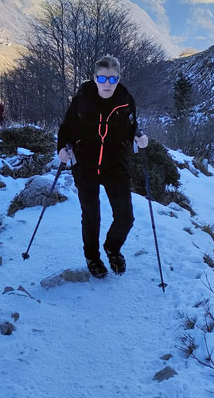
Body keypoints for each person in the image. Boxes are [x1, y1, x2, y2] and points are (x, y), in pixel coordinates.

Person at [57, 55, 149, 278]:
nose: (107, 84)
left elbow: (131, 126)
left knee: (125, 217)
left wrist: (140, 137)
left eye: (112, 79)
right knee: (91, 215)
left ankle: (112, 247)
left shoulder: (126, 101)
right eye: (102, 78)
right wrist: (62, 148)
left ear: (118, 78)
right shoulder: (81, 101)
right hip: (85, 165)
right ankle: (92, 257)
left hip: (115, 165)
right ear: (94, 78)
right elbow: (66, 128)